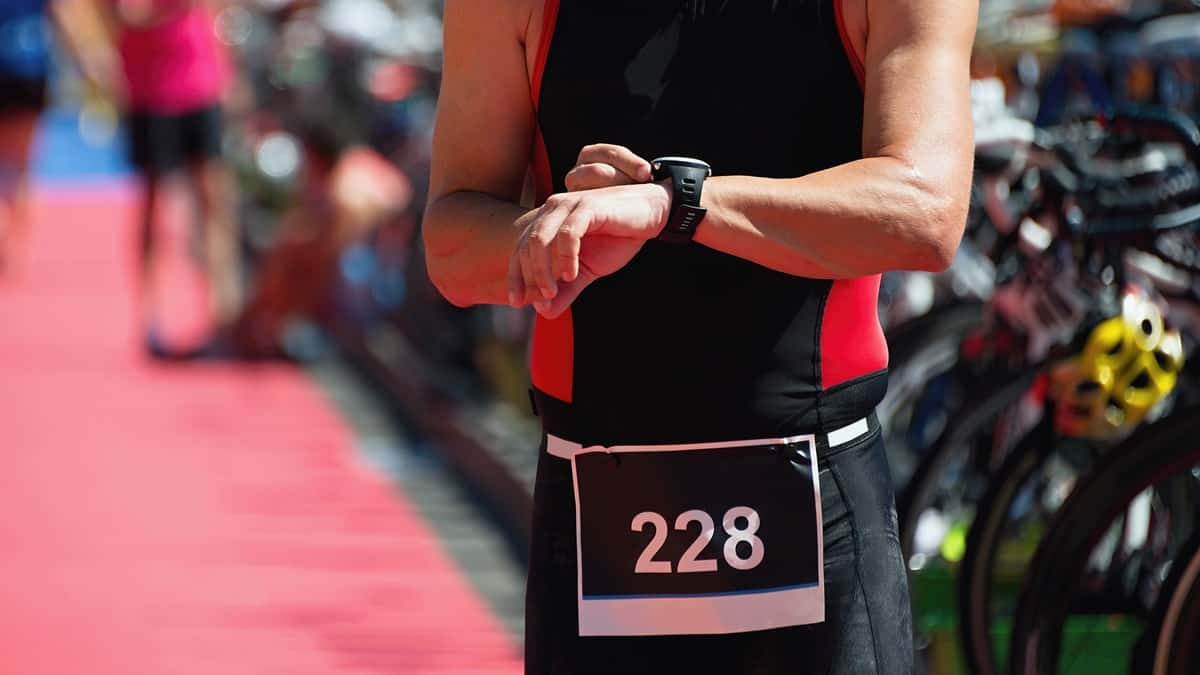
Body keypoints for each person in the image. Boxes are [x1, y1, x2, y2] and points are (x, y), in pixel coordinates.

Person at [424, 0, 976, 673]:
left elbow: (924, 211)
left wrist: (676, 204)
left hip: (818, 496)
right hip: (598, 506)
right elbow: (452, 244)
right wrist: (564, 233)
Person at [98, 0, 240, 352]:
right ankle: (151, 317)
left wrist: (227, 70)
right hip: (151, 87)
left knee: (214, 201)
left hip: (199, 80)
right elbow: (123, 14)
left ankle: (220, 313)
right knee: (153, 202)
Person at [0, 0, 116, 277]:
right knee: (23, 168)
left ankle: (11, 241)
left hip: (24, 75)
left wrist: (88, 63)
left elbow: (63, 17)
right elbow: (64, 18)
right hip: (28, 74)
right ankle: (13, 244)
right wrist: (89, 63)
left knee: (19, 166)